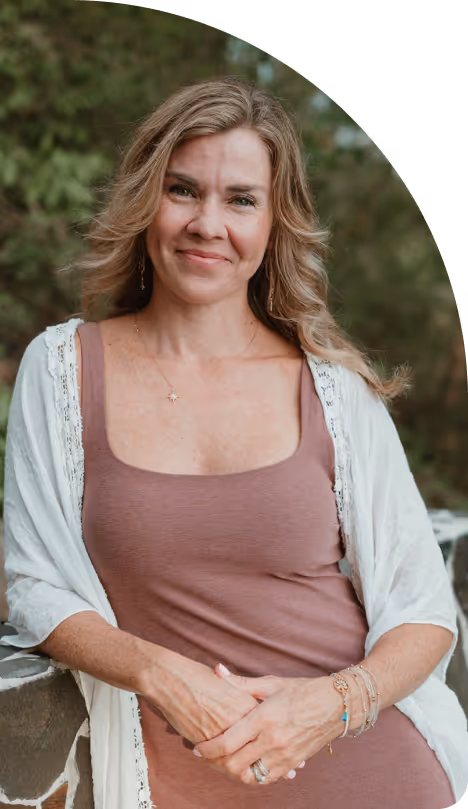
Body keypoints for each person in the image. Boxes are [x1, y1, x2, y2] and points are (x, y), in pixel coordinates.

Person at [1, 78, 467, 809]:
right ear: (145, 200)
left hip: (373, 767)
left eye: (241, 199)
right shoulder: (62, 370)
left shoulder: (332, 390)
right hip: (186, 778)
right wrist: (157, 671)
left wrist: (331, 705)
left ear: (275, 224)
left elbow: (425, 610)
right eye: (183, 190)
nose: (207, 224)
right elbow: (32, 586)